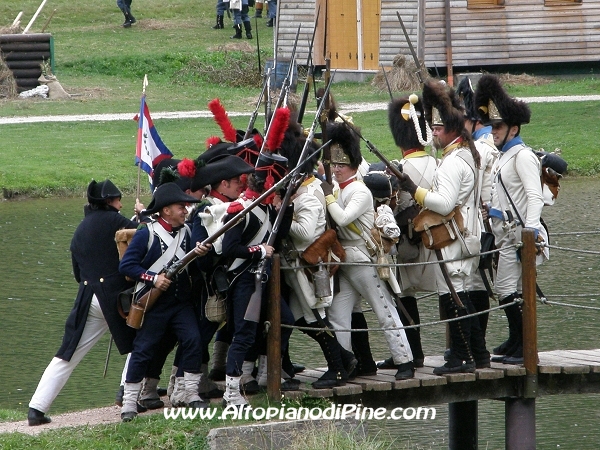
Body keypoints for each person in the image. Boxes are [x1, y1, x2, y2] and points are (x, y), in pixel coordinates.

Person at [28, 180, 143, 426]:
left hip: (87, 297)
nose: (120, 204)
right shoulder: (115, 221)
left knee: (67, 354)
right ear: (109, 202)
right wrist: (141, 217)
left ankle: (36, 408)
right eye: (117, 200)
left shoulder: (80, 230)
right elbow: (145, 239)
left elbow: (78, 275)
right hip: (114, 298)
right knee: (141, 342)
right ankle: (127, 391)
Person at [396, 80, 490, 375]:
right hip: (463, 235)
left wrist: (414, 190)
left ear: (450, 128)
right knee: (459, 295)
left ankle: (461, 358)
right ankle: (478, 354)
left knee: (453, 297)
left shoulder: (451, 163)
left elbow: (445, 203)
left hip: (452, 238)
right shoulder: (463, 154)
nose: (432, 133)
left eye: (437, 128)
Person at [320, 122, 415, 381]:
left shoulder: (360, 190)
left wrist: (328, 197)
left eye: (342, 164)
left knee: (384, 311)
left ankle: (404, 360)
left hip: (362, 258)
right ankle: (343, 364)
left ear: (354, 165)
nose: (337, 168)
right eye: (335, 164)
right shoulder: (339, 188)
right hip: (345, 259)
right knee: (338, 316)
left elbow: (342, 218)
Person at [118, 182, 211, 421]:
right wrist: (153, 278)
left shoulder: (188, 233)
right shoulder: (147, 233)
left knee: (193, 340)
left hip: (180, 302)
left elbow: (192, 267)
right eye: (181, 207)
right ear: (166, 210)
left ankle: (190, 393)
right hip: (154, 304)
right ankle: (129, 403)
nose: (185, 210)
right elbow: (127, 266)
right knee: (143, 350)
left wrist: (200, 253)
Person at [278, 123, 358, 389]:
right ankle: (344, 358)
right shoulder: (303, 188)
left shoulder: (310, 194)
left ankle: (337, 370)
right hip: (297, 266)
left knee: (316, 319)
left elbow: (303, 233)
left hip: (308, 266)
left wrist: (280, 216)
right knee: (303, 320)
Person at [474, 74, 546, 365]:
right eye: (492, 126)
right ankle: (517, 340)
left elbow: (535, 196)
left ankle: (525, 346)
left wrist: (529, 233)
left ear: (513, 128)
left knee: (509, 290)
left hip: (521, 236)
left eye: (499, 126)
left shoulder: (522, 156)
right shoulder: (504, 155)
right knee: (505, 291)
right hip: (505, 234)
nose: (494, 131)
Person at [221, 152, 294, 406]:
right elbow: (230, 249)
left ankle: (265, 374)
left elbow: (280, 233)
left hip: (261, 280)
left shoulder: (265, 206)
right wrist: (259, 250)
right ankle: (231, 393)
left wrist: (287, 204)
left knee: (285, 320)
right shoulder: (239, 210)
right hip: (243, 279)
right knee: (243, 334)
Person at [377, 94, 439, 372]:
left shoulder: (400, 168)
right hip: (437, 240)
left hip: (409, 242)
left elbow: (396, 207)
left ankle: (414, 354)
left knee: (404, 297)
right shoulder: (437, 162)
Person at [456, 76, 500, 336]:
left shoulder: (480, 149)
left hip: (480, 224)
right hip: (488, 223)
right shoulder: (488, 145)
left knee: (475, 284)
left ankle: (475, 345)